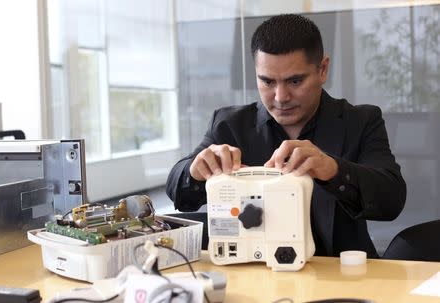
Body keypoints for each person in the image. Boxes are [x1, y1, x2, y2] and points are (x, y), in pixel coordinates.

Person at [166, 14, 406, 258]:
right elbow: (177, 189)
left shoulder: (361, 121)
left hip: (341, 274)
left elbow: (392, 200)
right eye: (268, 82)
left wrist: (333, 170)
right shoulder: (229, 125)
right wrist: (195, 171)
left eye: (295, 81)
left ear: (322, 70)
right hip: (256, 276)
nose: (280, 97)